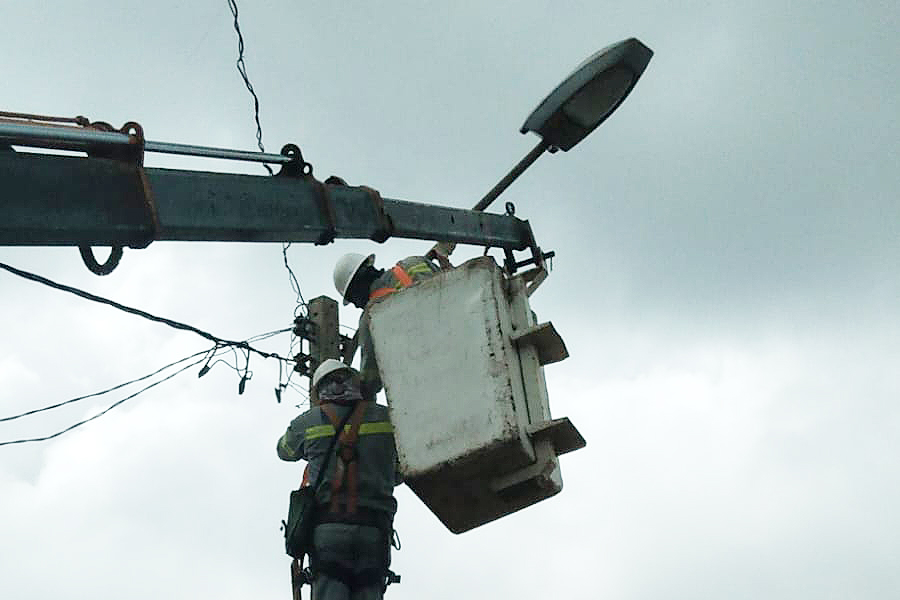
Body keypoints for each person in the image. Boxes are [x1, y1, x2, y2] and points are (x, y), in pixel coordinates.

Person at [277, 359, 401, 600]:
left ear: (319, 391)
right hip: (374, 530)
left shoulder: (307, 422)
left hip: (328, 530)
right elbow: (400, 471)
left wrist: (317, 450)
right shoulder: (388, 418)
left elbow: (284, 451)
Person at [332, 247, 451, 397]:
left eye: (352, 299)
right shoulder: (414, 263)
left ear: (356, 288)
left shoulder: (371, 316)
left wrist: (356, 393)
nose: (356, 306)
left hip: (432, 381)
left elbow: (371, 378)